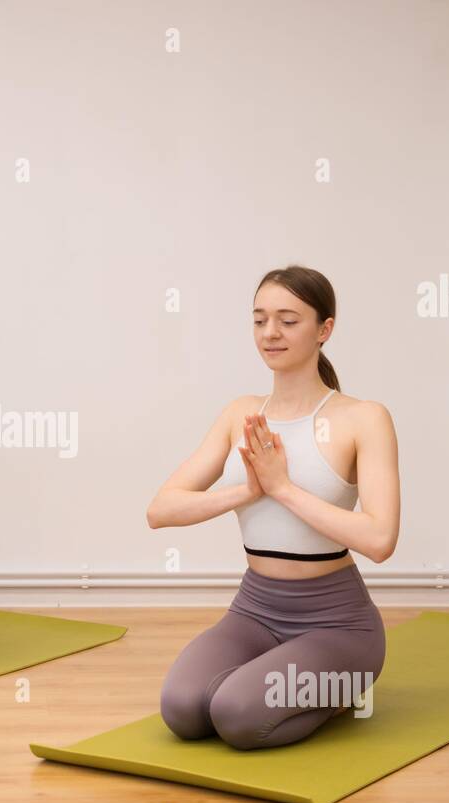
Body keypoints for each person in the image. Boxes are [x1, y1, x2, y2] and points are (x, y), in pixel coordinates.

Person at [147, 265, 399, 749]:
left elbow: (380, 540)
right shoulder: (241, 412)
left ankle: (343, 687)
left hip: (338, 625)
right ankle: (276, 684)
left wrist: (283, 488)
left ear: (324, 329)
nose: (270, 333)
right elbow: (161, 510)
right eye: (260, 319)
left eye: (288, 319)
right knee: (181, 709)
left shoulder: (363, 419)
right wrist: (247, 491)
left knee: (236, 717)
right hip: (255, 612)